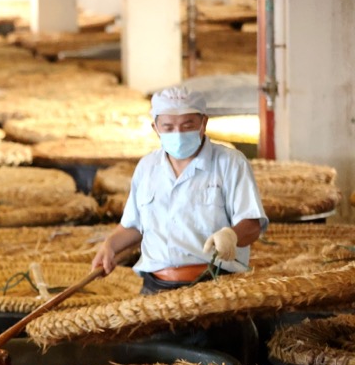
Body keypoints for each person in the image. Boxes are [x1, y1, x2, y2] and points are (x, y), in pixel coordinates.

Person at [91, 86, 268, 294]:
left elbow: (252, 224)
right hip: (155, 289)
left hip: (214, 287)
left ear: (204, 123)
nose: (178, 134)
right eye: (168, 127)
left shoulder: (230, 163)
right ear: (155, 128)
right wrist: (110, 246)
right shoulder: (147, 168)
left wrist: (232, 235)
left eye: (187, 126)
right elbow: (133, 226)